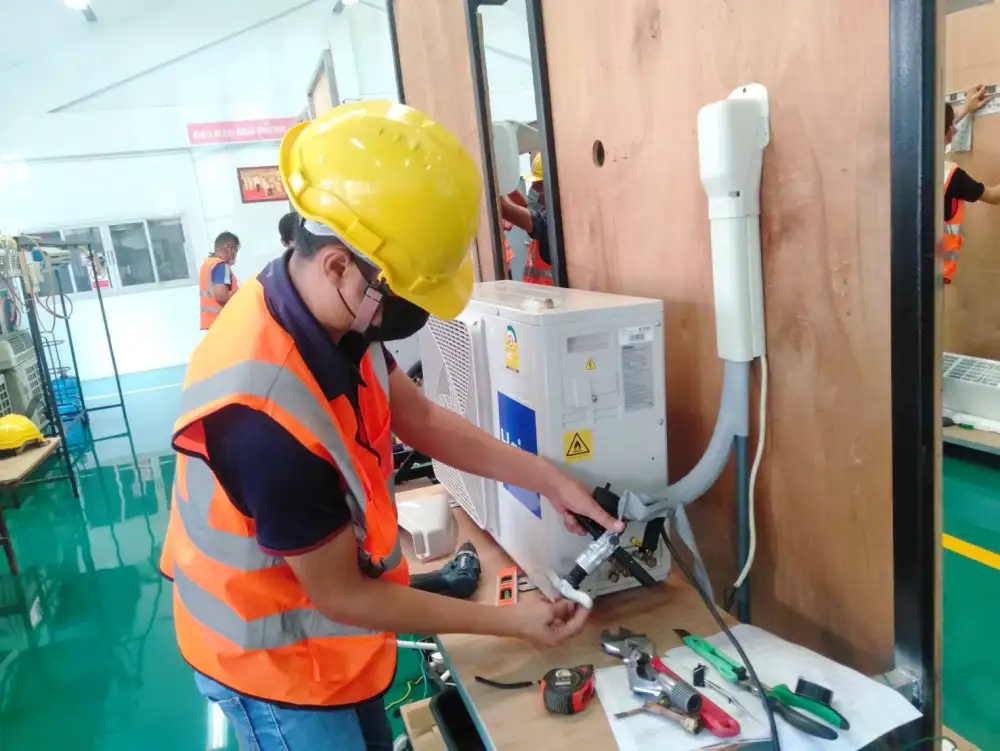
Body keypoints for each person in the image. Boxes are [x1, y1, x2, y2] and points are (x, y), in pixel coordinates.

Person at [159, 101, 622, 750]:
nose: (409, 314)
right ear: (337, 264)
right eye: (404, 293)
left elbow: (420, 416)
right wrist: (513, 621)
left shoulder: (327, 311)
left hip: (334, 637)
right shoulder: (262, 419)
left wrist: (548, 479)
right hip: (270, 663)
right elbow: (343, 595)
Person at [943, 84, 1000, 284]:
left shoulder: (910, 160)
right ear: (948, 133)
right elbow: (993, 196)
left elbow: (936, 134)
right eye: (952, 126)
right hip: (935, 270)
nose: (955, 130)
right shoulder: (952, 176)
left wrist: (965, 108)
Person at [499, 154, 553, 285]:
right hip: (537, 295)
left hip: (551, 296)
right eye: (533, 184)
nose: (533, 189)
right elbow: (523, 206)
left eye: (538, 184)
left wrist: (498, 181)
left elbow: (508, 209)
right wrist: (507, 185)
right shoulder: (544, 215)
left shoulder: (553, 225)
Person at [199, 231, 240, 330]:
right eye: (235, 250)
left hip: (212, 323)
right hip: (224, 323)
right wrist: (240, 294)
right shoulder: (221, 266)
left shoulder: (207, 264)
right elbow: (221, 296)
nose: (235, 254)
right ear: (231, 249)